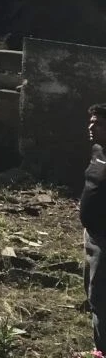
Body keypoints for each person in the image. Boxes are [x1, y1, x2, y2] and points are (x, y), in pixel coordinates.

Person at [82, 103, 106, 352]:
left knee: (101, 298)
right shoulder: (97, 150)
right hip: (90, 234)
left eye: (98, 123)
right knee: (91, 292)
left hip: (105, 240)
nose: (91, 126)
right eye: (91, 121)